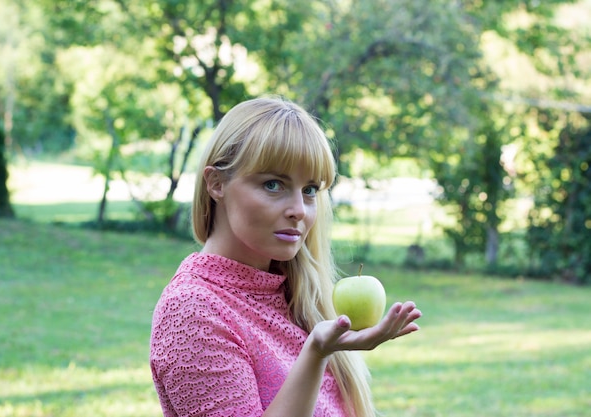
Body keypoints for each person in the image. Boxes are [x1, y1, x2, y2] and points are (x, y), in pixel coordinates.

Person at [150, 96, 422, 417]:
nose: (299, 211)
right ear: (216, 184)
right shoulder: (193, 312)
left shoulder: (297, 294)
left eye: (309, 190)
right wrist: (316, 353)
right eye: (274, 184)